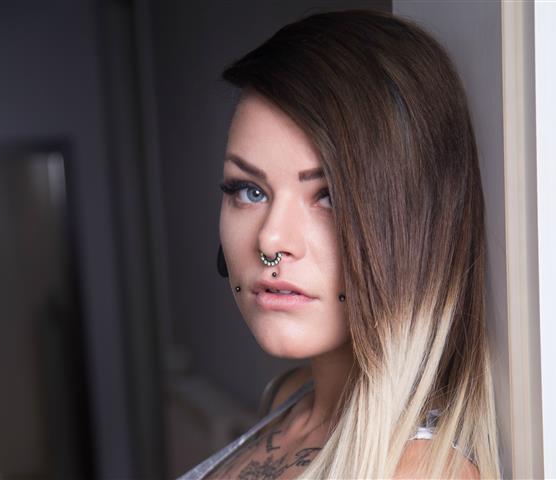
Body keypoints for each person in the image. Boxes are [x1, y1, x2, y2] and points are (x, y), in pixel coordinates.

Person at [179, 8, 501, 479]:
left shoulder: (417, 472)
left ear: (416, 228)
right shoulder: (291, 397)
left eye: (328, 196)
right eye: (249, 191)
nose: (270, 239)